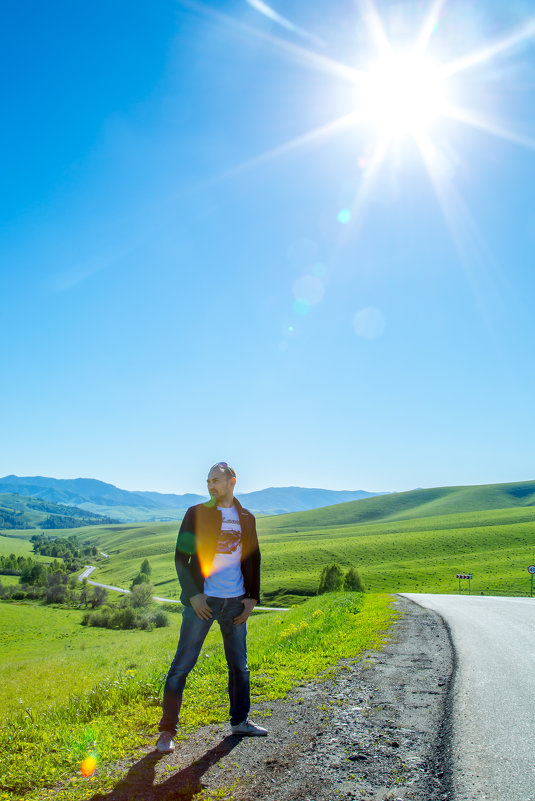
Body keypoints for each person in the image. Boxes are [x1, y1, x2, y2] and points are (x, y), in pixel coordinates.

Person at [156, 462, 267, 754]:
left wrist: (252, 597)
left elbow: (254, 558)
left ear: (232, 481)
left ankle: (240, 721)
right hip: (203, 602)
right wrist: (193, 596)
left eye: (216, 480)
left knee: (239, 666)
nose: (210, 486)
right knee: (181, 666)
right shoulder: (197, 514)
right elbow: (181, 557)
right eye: (208, 481)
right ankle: (167, 731)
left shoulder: (246, 517)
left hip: (235, 602)